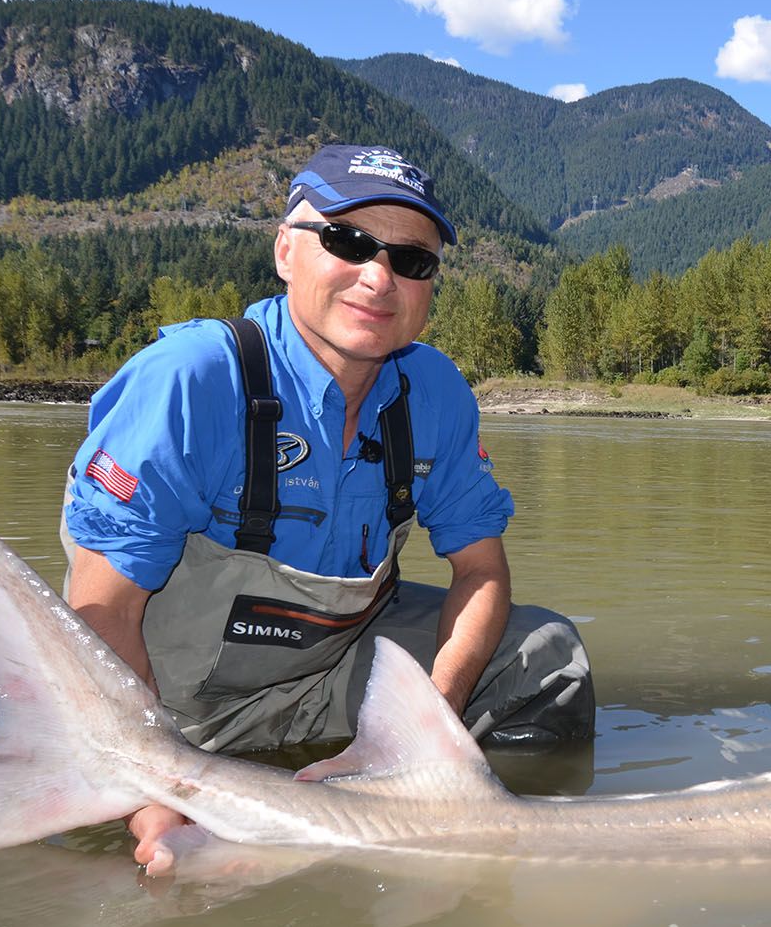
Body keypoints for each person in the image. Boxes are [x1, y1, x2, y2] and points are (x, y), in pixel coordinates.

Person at [63, 143, 594, 865]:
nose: (379, 277)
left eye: (413, 261)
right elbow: (100, 617)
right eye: (348, 241)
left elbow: (482, 574)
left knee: (547, 658)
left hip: (328, 678)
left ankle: (488, 853)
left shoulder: (434, 392)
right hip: (168, 710)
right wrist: (158, 798)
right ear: (285, 249)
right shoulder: (190, 381)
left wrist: (421, 741)